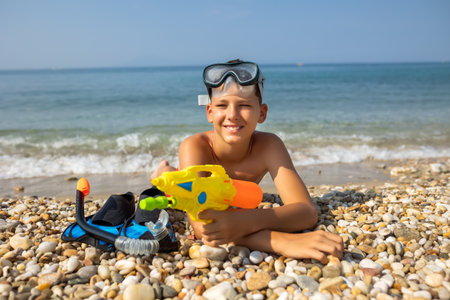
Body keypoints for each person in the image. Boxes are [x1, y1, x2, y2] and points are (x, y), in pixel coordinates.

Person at [151, 60, 343, 263]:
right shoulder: (194, 146)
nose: (232, 115)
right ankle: (166, 170)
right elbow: (204, 228)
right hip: (185, 183)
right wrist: (279, 241)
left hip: (227, 194)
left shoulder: (269, 146)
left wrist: (242, 221)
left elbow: (306, 212)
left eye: (244, 105)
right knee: (168, 181)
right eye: (222, 105)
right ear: (209, 112)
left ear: (262, 113)